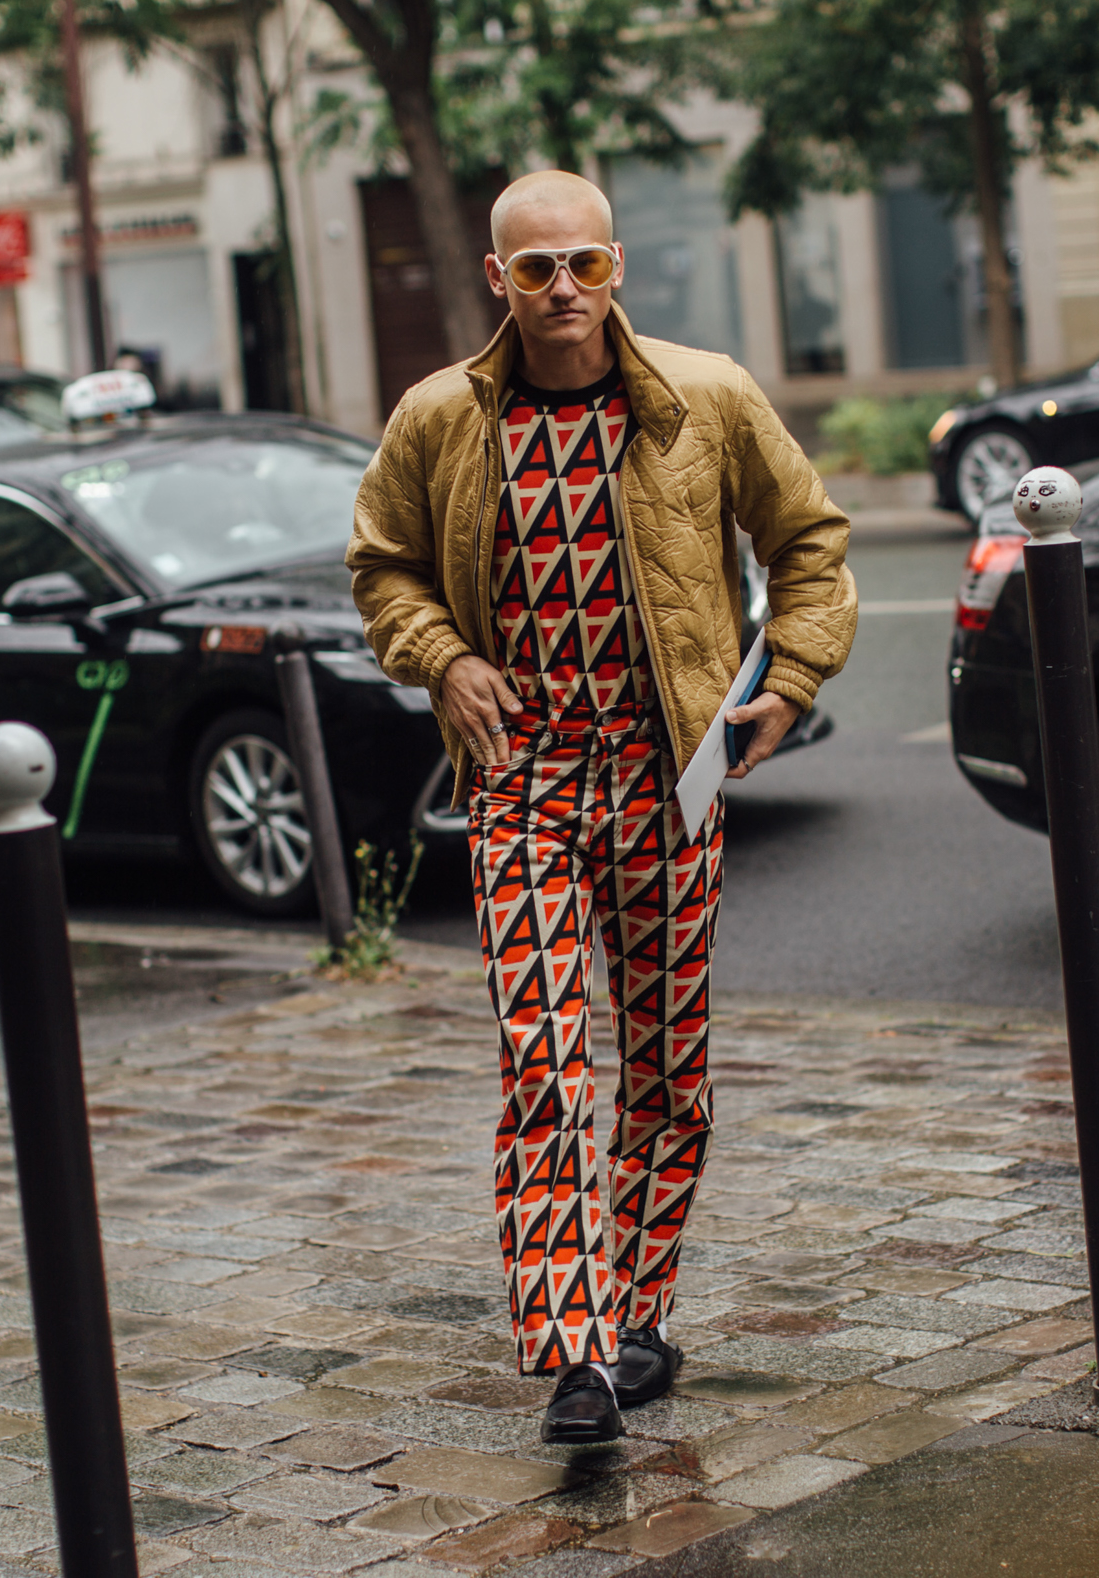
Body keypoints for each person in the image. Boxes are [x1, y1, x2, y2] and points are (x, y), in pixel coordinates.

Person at [345, 170, 858, 1444]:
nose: (562, 289)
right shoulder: (440, 420)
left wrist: (788, 680)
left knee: (667, 1065)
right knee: (544, 1048)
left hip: (665, 785)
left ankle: (639, 1316)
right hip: (520, 782)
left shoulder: (707, 398)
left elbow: (810, 543)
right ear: (496, 280)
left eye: (583, 264)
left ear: (617, 265)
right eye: (535, 270)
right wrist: (443, 656)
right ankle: (572, 1349)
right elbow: (381, 564)